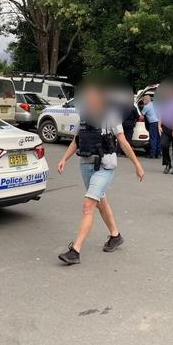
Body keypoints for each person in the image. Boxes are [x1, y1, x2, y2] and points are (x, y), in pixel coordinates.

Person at [57, 86, 145, 265]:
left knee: (88, 205)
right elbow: (77, 140)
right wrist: (64, 159)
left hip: (105, 166)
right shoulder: (83, 115)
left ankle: (75, 251)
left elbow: (123, 141)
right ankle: (115, 236)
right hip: (86, 165)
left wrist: (137, 164)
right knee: (99, 201)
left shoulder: (111, 116)